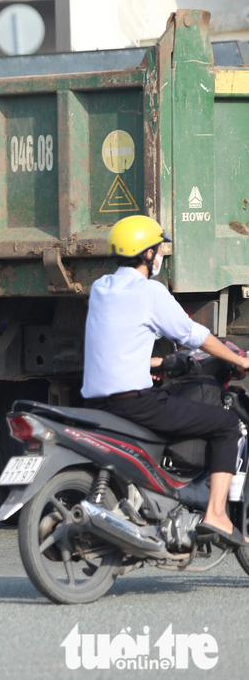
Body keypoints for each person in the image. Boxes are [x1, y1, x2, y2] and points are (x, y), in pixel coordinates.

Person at [82, 215, 249, 547]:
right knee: (227, 424)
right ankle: (216, 513)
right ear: (146, 254)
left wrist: (158, 363)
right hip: (135, 404)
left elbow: (118, 343)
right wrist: (240, 359)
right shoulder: (150, 292)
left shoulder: (101, 288)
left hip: (97, 402)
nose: (160, 256)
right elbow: (195, 336)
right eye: (158, 249)